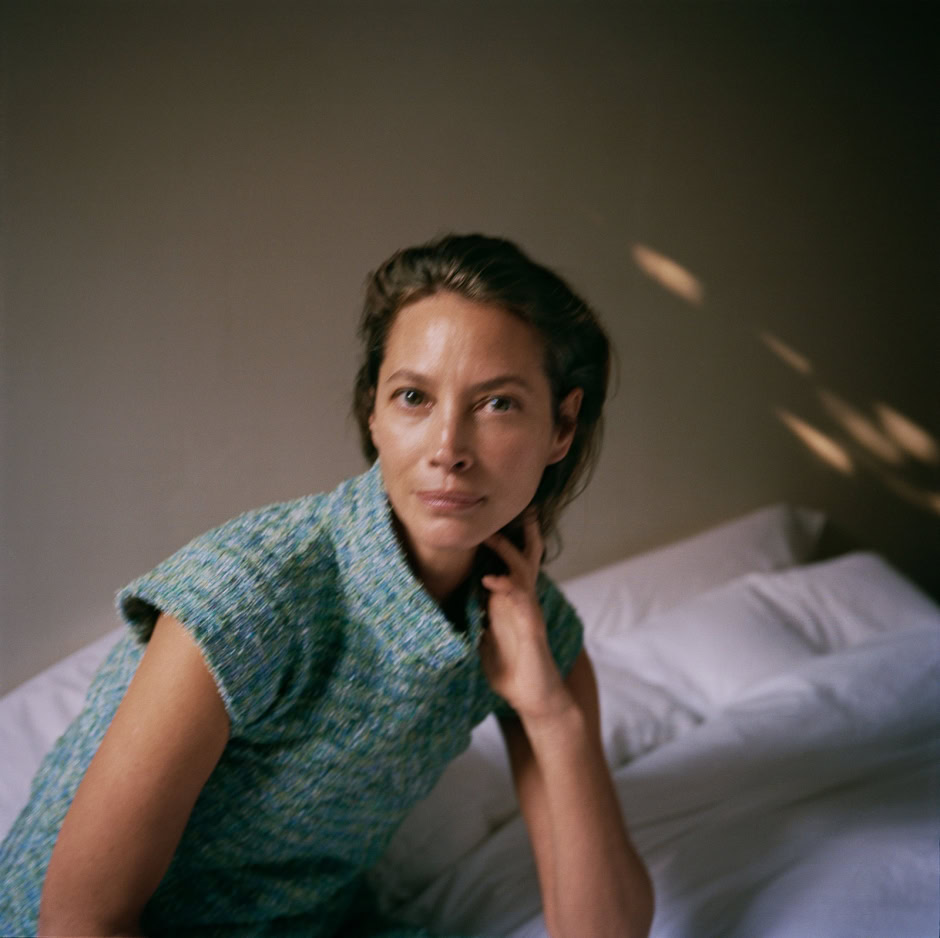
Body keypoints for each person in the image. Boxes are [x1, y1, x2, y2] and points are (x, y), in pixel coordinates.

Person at [0, 233, 654, 937]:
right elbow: (76, 919)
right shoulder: (252, 590)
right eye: (413, 397)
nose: (448, 450)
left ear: (561, 426)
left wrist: (551, 713)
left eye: (497, 404)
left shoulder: (532, 626)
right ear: (373, 411)